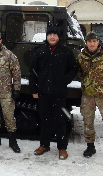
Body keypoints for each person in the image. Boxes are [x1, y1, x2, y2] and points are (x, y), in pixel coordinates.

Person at [29, 25, 77, 160]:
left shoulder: (66, 51)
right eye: (50, 34)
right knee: (44, 120)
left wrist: (64, 80)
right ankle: (44, 145)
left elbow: (73, 69)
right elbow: (33, 71)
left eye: (54, 34)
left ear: (58, 36)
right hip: (43, 92)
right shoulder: (40, 51)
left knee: (60, 121)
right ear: (47, 36)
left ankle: (62, 148)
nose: (52, 37)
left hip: (59, 93)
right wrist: (33, 89)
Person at [76, 31, 103, 163]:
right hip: (88, 95)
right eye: (90, 41)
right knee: (88, 123)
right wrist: (86, 83)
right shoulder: (81, 58)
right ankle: (90, 147)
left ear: (98, 42)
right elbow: (79, 72)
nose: (92, 44)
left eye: (94, 41)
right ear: (86, 43)